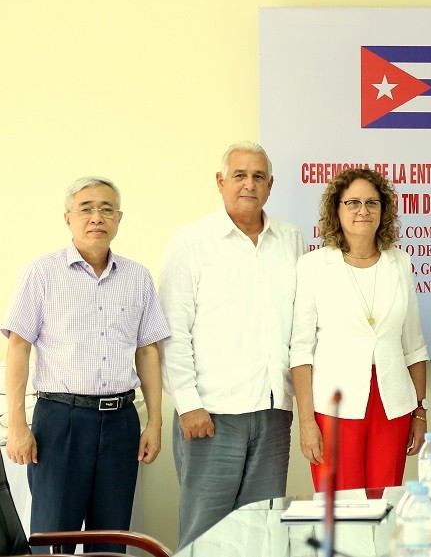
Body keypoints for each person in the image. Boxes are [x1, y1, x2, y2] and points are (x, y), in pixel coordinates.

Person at [2, 176, 167, 555]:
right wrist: (17, 425)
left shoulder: (137, 277)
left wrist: (154, 422)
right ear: (68, 217)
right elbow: (18, 349)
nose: (97, 217)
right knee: (53, 537)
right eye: (86, 208)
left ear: (119, 218)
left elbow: (147, 352)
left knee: (111, 540)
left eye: (106, 209)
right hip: (60, 421)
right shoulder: (41, 273)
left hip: (122, 421)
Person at [159, 142, 306, 547]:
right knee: (205, 534)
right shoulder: (190, 242)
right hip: (211, 414)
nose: (249, 184)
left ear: (271, 185)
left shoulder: (291, 240)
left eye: (258, 176)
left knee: (263, 531)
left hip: (274, 411)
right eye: (239, 175)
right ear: (220, 182)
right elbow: (173, 330)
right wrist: (188, 404)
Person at [290, 168, 429, 491]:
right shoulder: (313, 266)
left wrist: (420, 413)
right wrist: (307, 421)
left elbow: (414, 346)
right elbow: (300, 350)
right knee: (340, 512)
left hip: (393, 406)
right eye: (352, 202)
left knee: (385, 504)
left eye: (372, 203)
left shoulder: (400, 263)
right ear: (336, 210)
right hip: (334, 407)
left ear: (384, 211)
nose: (363, 211)